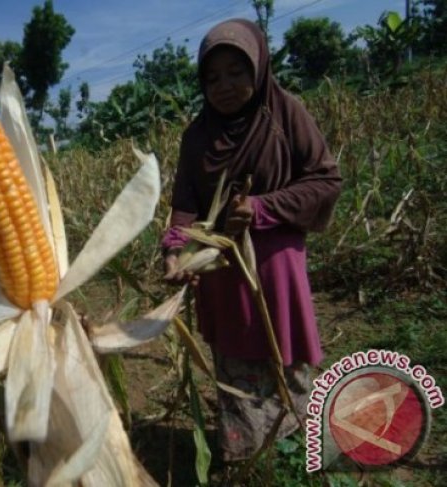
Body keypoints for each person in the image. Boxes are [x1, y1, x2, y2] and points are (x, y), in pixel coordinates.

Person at [161, 18, 342, 463]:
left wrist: (260, 208)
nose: (224, 85)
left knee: (286, 358)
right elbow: (184, 206)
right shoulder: (196, 137)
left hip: (276, 262)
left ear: (259, 68)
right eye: (213, 77)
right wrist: (174, 252)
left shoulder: (284, 114)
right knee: (236, 366)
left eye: (236, 72)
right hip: (221, 267)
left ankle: (303, 451)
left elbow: (324, 180)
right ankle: (247, 457)